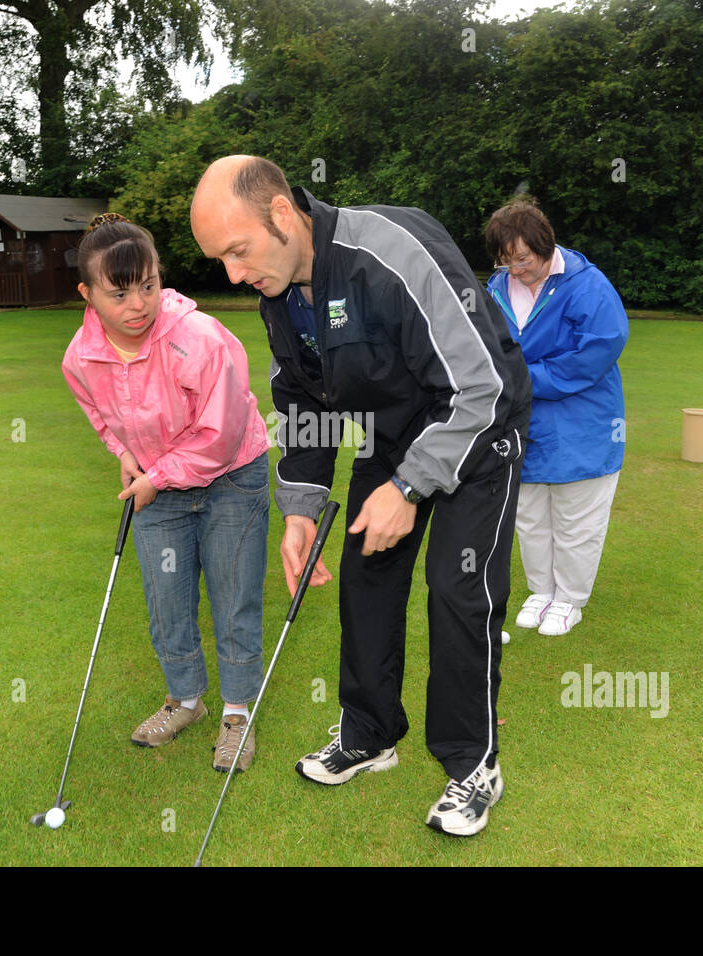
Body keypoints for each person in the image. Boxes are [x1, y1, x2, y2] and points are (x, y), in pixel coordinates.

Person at [190, 156, 531, 836]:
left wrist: (408, 487)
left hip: (476, 429)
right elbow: (302, 402)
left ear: (282, 216)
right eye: (218, 260)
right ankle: (370, 734)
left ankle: (473, 766)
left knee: (457, 592)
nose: (232, 274)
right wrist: (299, 510)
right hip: (391, 435)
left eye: (237, 251)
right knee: (364, 580)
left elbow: (479, 386)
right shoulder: (279, 293)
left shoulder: (390, 253)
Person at [61, 213, 271, 772]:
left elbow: (221, 433)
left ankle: (235, 713)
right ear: (87, 293)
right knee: (166, 599)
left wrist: (154, 476)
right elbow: (100, 415)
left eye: (148, 285)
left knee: (234, 595)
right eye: (119, 292)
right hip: (157, 484)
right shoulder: (79, 358)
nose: (138, 304)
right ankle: (185, 701)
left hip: (232, 478)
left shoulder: (199, 339)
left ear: (160, 277)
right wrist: (125, 455)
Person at [483, 196, 628, 637]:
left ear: (545, 246)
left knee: (576, 520)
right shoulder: (496, 287)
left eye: (523, 259)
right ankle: (541, 592)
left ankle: (570, 600)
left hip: (582, 425)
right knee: (528, 516)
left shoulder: (589, 286)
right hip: (522, 425)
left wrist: (521, 377)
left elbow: (597, 351)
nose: (517, 270)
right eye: (507, 262)